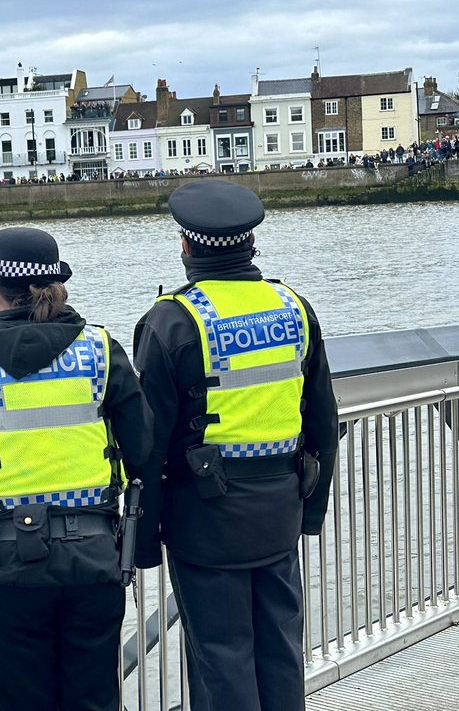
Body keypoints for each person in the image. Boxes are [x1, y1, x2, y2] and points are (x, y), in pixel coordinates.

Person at [0, 226, 153, 711]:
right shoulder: (100, 351)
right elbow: (142, 446)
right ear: (58, 287)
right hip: (95, 555)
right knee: (95, 697)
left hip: (8, 561)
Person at [132, 180, 339, 711]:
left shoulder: (172, 321)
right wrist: (310, 510)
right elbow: (321, 416)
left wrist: (145, 540)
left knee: (221, 658)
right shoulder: (294, 309)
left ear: (186, 248)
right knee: (280, 650)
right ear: (250, 244)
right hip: (279, 513)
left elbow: (150, 445)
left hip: (205, 520)